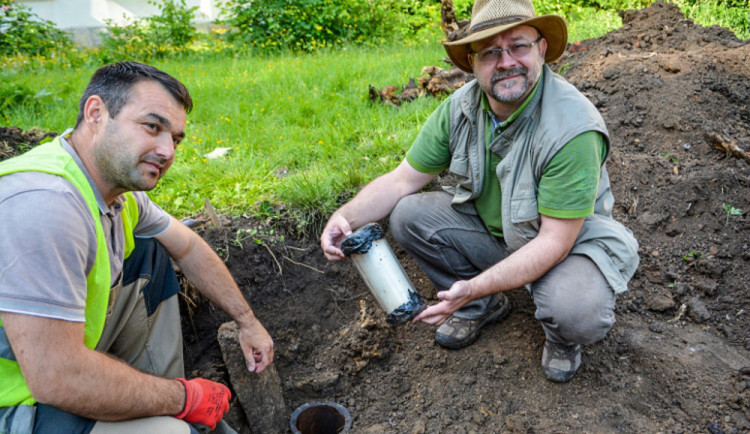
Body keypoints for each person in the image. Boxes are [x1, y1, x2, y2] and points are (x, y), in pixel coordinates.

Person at [321, 0, 639, 383]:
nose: (505, 61)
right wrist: (346, 217)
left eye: (518, 45)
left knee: (577, 310)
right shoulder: (460, 107)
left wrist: (470, 287)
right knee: (407, 214)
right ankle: (484, 307)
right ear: (471, 62)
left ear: (541, 49)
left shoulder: (572, 129)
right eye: (490, 51)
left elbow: (554, 243)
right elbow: (402, 180)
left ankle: (559, 336)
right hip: (497, 232)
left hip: (565, 246)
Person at [0, 61, 274, 433]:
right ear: (96, 112)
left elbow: (189, 246)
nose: (166, 151)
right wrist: (184, 398)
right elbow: (56, 378)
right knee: (171, 432)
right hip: (17, 400)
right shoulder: (45, 204)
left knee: (150, 251)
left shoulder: (115, 194)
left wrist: (248, 322)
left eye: (175, 139)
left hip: (51, 361)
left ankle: (154, 400)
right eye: (152, 126)